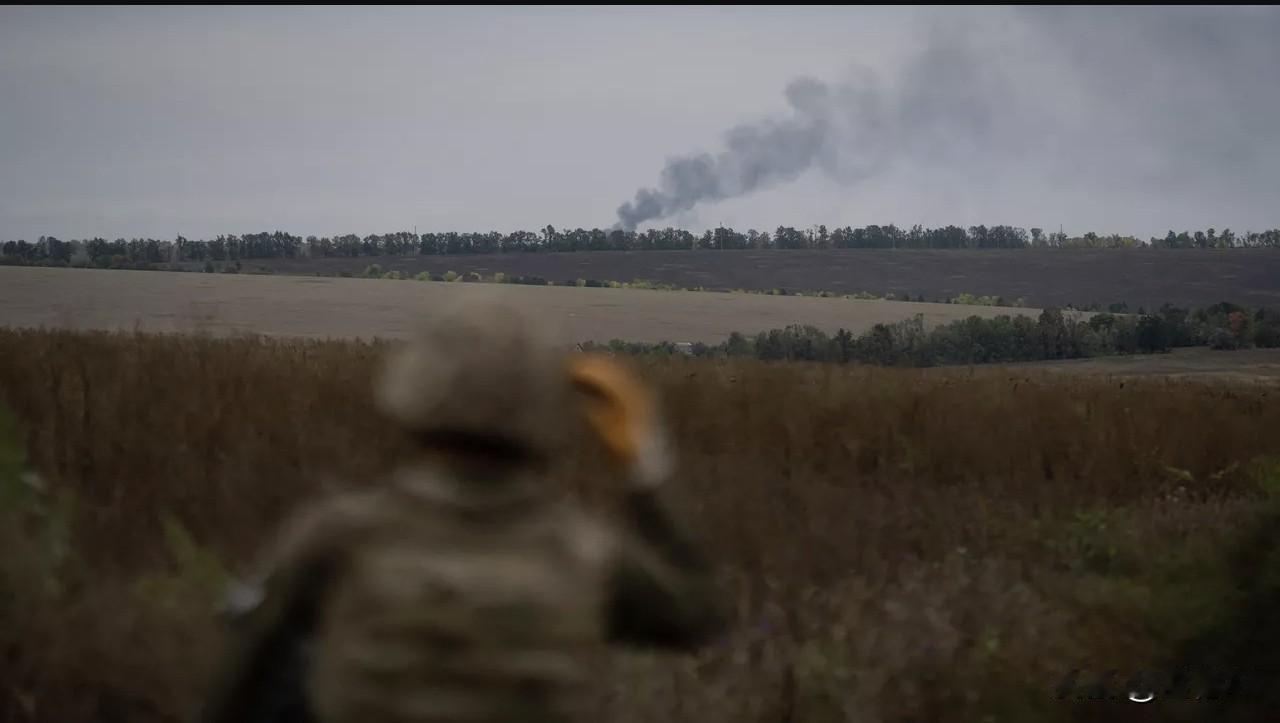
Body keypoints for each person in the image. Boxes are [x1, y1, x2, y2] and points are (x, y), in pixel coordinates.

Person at [197, 296, 726, 723]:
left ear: (417, 389)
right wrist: (644, 465)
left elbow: (230, 689)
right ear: (547, 407)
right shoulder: (588, 553)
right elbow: (698, 614)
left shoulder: (340, 536)